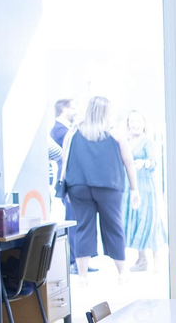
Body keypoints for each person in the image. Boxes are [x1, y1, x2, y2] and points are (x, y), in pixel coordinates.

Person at [63, 96, 140, 277]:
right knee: (114, 226)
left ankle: (82, 276)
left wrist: (65, 186)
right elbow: (129, 163)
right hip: (109, 186)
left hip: (78, 187)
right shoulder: (115, 133)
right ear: (106, 112)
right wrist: (134, 189)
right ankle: (122, 272)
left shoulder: (73, 132)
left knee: (83, 227)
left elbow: (65, 161)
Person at [122, 109, 165, 272]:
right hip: (130, 186)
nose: (135, 125)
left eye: (138, 121)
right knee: (136, 220)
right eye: (132, 121)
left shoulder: (148, 142)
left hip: (146, 186)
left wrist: (143, 163)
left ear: (144, 124)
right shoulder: (125, 141)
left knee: (150, 220)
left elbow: (153, 162)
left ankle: (157, 261)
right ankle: (142, 259)